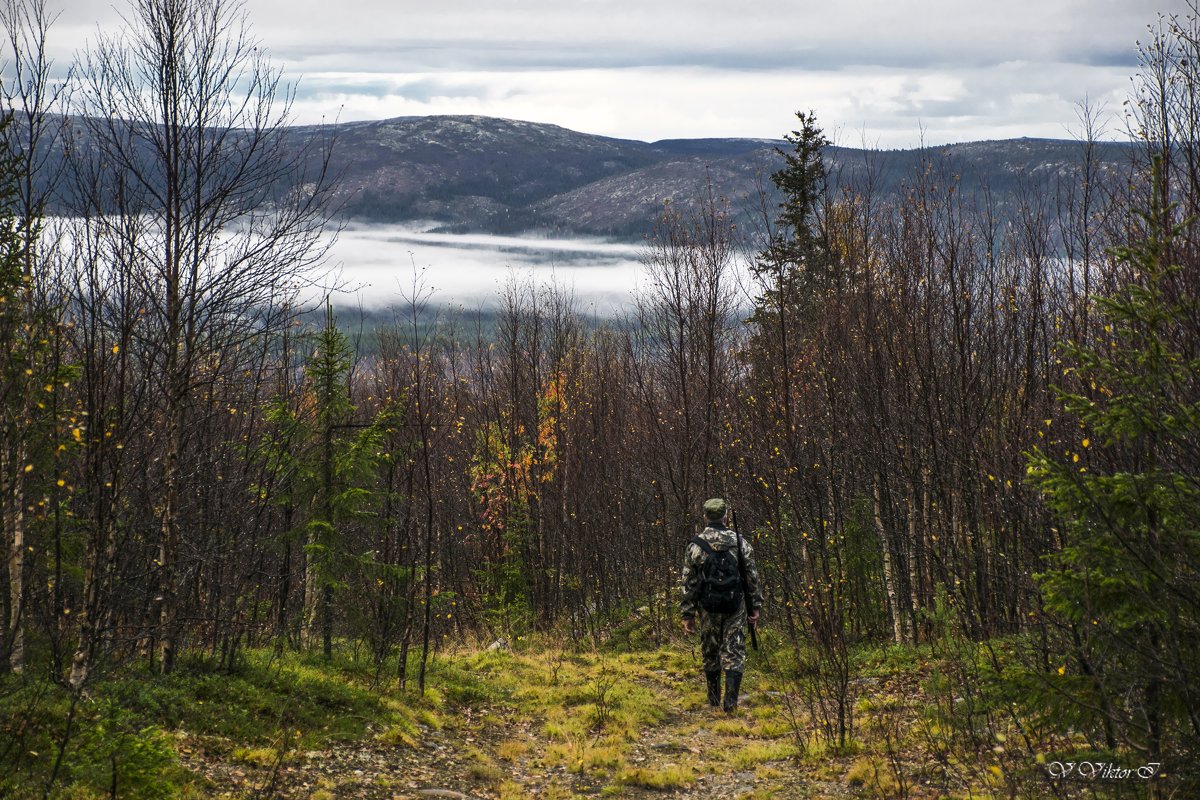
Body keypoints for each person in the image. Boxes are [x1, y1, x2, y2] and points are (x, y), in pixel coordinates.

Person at [680, 498, 763, 712]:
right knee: (734, 650)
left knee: (710, 651)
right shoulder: (740, 542)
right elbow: (751, 576)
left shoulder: (695, 545)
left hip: (707, 607)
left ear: (705, 516)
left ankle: (713, 699)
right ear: (725, 516)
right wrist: (755, 606)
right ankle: (731, 703)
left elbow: (688, 582)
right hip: (736, 606)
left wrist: (687, 614)